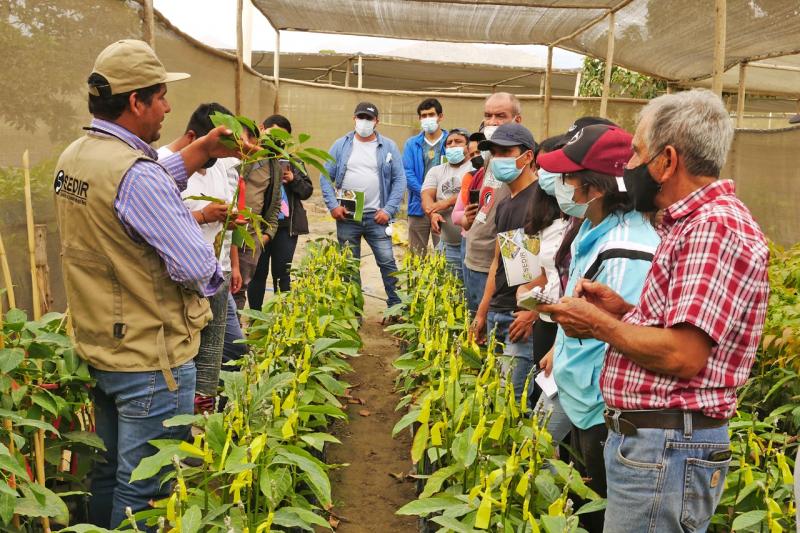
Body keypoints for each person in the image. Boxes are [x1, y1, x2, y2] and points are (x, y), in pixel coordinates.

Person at [540, 89, 770, 533]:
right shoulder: (692, 226)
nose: (627, 168)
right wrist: (623, 311)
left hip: (667, 447)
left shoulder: (711, 228)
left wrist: (599, 324)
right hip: (661, 445)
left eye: (636, 154)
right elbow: (683, 330)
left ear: (666, 161)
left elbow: (683, 355)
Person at [53, 40, 251, 529]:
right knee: (146, 490)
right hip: (151, 359)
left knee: (109, 475)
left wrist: (200, 151)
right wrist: (217, 278)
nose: (167, 107)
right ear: (135, 102)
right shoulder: (137, 177)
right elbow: (195, 267)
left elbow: (130, 191)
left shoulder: (76, 157)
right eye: (160, 96)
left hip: (102, 344)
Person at [536, 124, 661, 532]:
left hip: (599, 409)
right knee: (579, 498)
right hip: (578, 393)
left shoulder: (627, 248)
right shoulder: (592, 228)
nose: (562, 184)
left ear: (595, 187)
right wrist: (559, 348)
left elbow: (621, 336)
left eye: (569, 177)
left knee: (595, 508)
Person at [158, 102, 246, 411]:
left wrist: (233, 261)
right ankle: (193, 414)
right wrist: (203, 215)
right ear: (194, 138)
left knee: (232, 350)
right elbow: (158, 223)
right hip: (180, 283)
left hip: (215, 273)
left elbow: (226, 215)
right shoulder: (159, 165)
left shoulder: (218, 164)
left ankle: (217, 414)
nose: (212, 161)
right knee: (188, 356)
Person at [471, 123, 539, 406]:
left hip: (519, 318)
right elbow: (498, 263)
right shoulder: (505, 205)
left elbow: (550, 267)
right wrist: (482, 312)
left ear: (528, 156)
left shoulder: (541, 201)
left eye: (506, 152)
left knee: (512, 404)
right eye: (495, 153)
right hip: (499, 312)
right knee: (496, 398)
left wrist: (531, 312)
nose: (498, 159)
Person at [320, 102, 406, 314]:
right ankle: (353, 312)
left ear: (377, 121)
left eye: (369, 118)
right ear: (354, 119)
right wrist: (333, 206)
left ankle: (396, 308)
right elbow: (325, 176)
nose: (364, 122)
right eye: (361, 117)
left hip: (378, 217)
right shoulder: (341, 145)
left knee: (387, 263)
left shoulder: (388, 146)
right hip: (347, 216)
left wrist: (388, 210)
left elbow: (400, 180)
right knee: (349, 266)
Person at [460, 93, 522, 313]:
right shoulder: (490, 157)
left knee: (491, 325)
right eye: (488, 116)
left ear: (517, 120)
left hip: (494, 265)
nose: (492, 122)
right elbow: (489, 202)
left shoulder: (519, 161)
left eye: (500, 116)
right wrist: (470, 220)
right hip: (473, 256)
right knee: (475, 322)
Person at [247, 114, 314, 310]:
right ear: (262, 129)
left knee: (282, 274)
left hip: (285, 228)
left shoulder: (293, 161)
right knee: (257, 273)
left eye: (282, 137)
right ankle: (255, 317)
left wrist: (293, 179)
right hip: (260, 227)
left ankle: (282, 317)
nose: (277, 140)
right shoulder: (253, 160)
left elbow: (307, 191)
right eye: (273, 134)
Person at [232, 121, 283, 311]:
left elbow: (275, 203)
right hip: (225, 230)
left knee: (239, 288)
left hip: (250, 235)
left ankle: (234, 324)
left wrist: (266, 235)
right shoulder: (228, 160)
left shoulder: (272, 164)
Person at [421, 128, 473, 280]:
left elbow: (471, 192)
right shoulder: (436, 171)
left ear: (468, 146)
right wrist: (432, 213)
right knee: (448, 287)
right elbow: (427, 195)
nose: (452, 145)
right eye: (449, 143)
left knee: (471, 290)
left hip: (471, 246)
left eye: (458, 142)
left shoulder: (475, 167)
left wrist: (447, 202)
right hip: (447, 245)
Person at [403, 98, 447, 254]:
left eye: (431, 114)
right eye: (424, 115)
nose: (427, 118)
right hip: (418, 206)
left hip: (444, 208)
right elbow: (407, 173)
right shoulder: (411, 143)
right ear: (419, 118)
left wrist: (438, 201)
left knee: (445, 255)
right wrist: (425, 196)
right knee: (415, 255)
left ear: (440, 116)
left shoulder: (451, 141)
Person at [452, 132, 485, 287]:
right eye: (472, 155)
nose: (476, 157)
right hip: (469, 239)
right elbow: (456, 215)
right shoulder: (471, 178)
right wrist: (468, 217)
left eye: (479, 152)